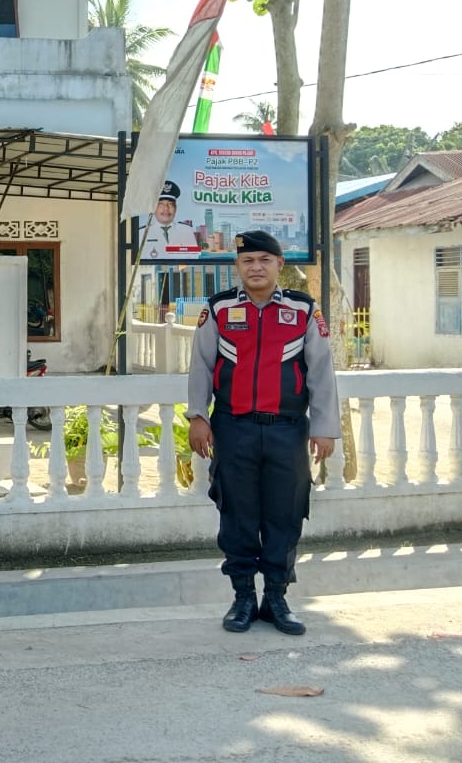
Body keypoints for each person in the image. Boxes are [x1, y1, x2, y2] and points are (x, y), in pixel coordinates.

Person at [185, 230, 340, 636]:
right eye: (248, 260)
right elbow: (201, 366)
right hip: (233, 428)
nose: (256, 267)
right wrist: (198, 416)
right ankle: (242, 598)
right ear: (237, 265)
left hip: (287, 431)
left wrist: (324, 427)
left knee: (285, 513)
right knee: (237, 513)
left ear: (279, 265)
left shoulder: (303, 310)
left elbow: (321, 372)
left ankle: (275, 598)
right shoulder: (219, 309)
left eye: (264, 260)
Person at [139, 180, 200, 258]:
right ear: (153, 208)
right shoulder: (142, 233)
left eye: (170, 204)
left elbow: (194, 259)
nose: (166, 209)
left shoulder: (186, 231)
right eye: (161, 204)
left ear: (175, 208)